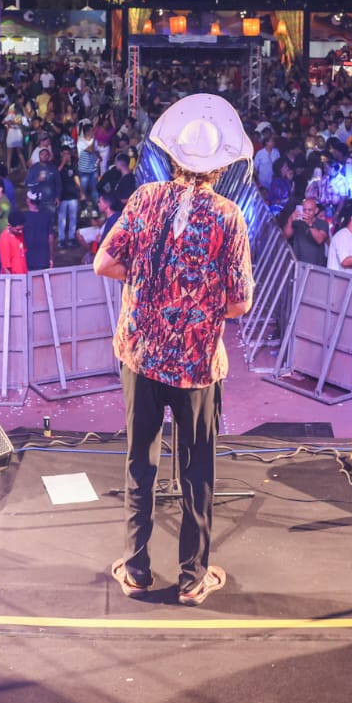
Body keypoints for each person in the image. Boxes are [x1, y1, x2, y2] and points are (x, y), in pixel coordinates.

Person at [94, 93, 254, 608]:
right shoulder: (229, 217)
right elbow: (241, 302)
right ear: (220, 166)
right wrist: (198, 307)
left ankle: (136, 569)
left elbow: (104, 263)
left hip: (140, 356)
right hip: (197, 365)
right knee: (196, 470)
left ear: (175, 158)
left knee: (140, 462)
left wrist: (148, 288)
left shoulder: (143, 200)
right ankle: (192, 578)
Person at [282, 196, 330, 267]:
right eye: (304, 210)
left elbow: (320, 240)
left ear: (316, 210)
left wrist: (310, 224)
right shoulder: (297, 223)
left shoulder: (322, 223)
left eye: (310, 210)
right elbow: (285, 236)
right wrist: (290, 220)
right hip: (298, 265)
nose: (307, 212)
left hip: (316, 267)